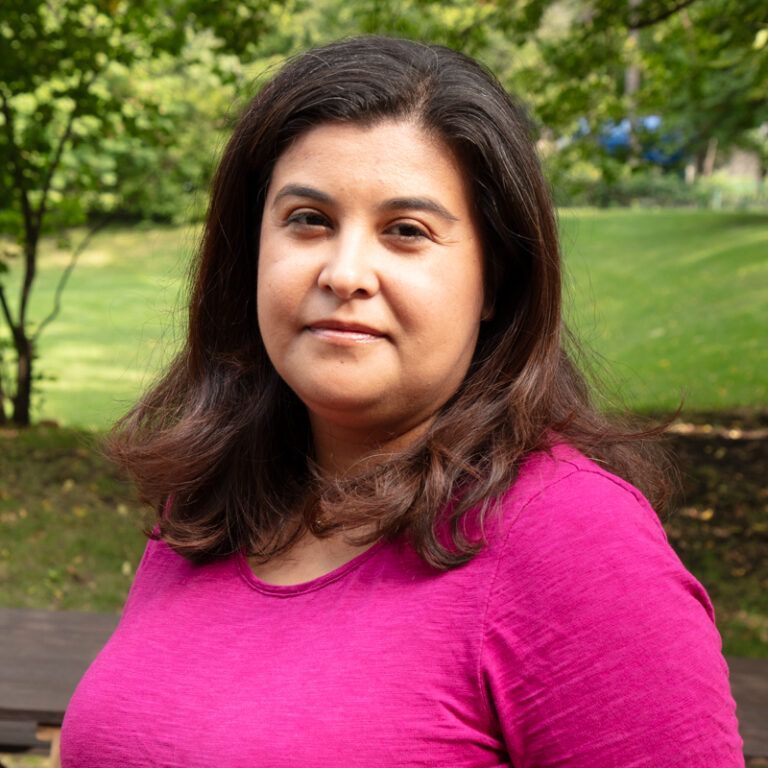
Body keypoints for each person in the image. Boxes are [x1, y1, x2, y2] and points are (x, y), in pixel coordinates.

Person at [60, 36, 743, 767]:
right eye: (308, 220)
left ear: (496, 280)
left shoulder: (575, 544)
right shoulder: (206, 504)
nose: (346, 271)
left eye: (406, 232)